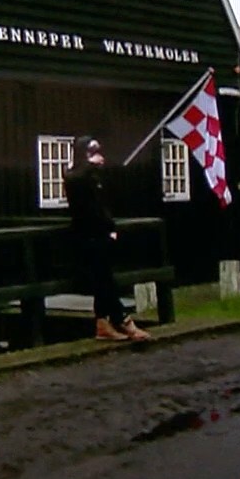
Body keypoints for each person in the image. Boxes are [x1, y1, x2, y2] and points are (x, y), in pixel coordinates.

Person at [63, 135, 151, 342]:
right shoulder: (76, 175)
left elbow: (102, 206)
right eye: (92, 153)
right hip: (88, 236)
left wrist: (110, 228)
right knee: (105, 281)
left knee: (104, 279)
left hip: (100, 234)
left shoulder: (93, 176)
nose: (98, 157)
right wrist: (89, 166)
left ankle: (103, 322)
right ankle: (123, 320)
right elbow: (77, 185)